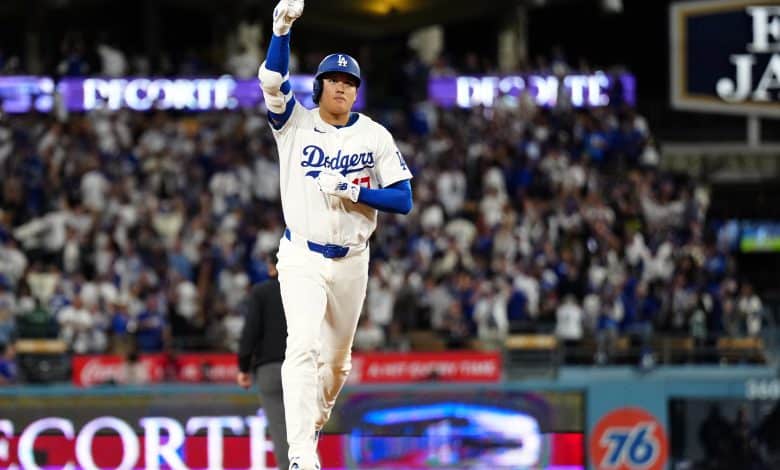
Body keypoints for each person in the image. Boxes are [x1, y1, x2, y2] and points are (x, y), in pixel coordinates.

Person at [257, 2, 414, 468]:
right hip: (302, 255)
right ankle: (302, 453)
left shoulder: (375, 136)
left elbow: (403, 199)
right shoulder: (295, 124)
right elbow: (271, 82)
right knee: (302, 346)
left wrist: (354, 189)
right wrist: (281, 29)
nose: (342, 87)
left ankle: (313, 423)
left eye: (349, 82)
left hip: (352, 259)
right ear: (319, 86)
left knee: (338, 364)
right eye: (334, 80)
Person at [237, 262, 289, 470]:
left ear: (271, 268)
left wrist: (243, 367)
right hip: (301, 367)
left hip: (269, 368)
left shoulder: (261, 292)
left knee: (279, 429)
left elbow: (250, 331)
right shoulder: (306, 290)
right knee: (304, 431)